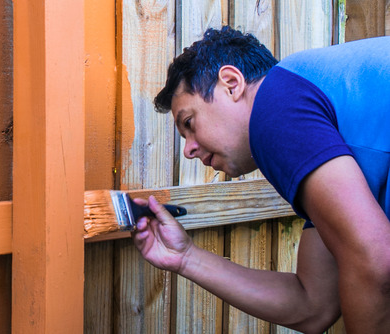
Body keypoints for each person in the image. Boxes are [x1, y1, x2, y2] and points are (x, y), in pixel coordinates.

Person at [133, 26, 390, 333]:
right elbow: (313, 304)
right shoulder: (320, 128)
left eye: (189, 123)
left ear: (231, 84)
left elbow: (375, 262)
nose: (188, 149)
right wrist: (185, 257)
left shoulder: (275, 107)